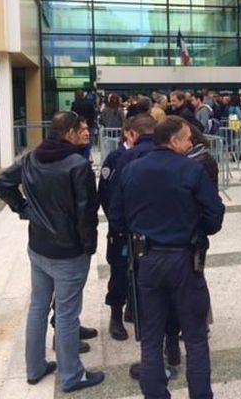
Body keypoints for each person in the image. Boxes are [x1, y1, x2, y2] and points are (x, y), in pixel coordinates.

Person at [109, 115, 225, 399]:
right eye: (187, 138)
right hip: (184, 260)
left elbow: (116, 216)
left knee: (150, 338)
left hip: (146, 259)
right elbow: (215, 216)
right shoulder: (191, 170)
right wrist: (195, 227)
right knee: (196, 338)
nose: (191, 143)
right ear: (173, 141)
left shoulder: (132, 169)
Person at [0, 111, 105, 392]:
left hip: (39, 247)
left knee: (39, 308)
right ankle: (72, 376)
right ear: (68, 133)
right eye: (81, 128)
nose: (86, 132)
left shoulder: (32, 157)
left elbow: (2, 183)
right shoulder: (77, 165)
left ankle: (35, 366)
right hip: (68, 252)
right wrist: (88, 246)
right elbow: (85, 212)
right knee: (67, 315)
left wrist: (25, 209)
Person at [98, 119, 137, 341]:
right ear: (127, 134)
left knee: (139, 271)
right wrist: (116, 219)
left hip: (140, 226)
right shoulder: (114, 158)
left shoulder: (145, 154)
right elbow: (104, 192)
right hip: (120, 228)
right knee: (119, 271)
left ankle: (132, 307)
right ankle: (116, 315)